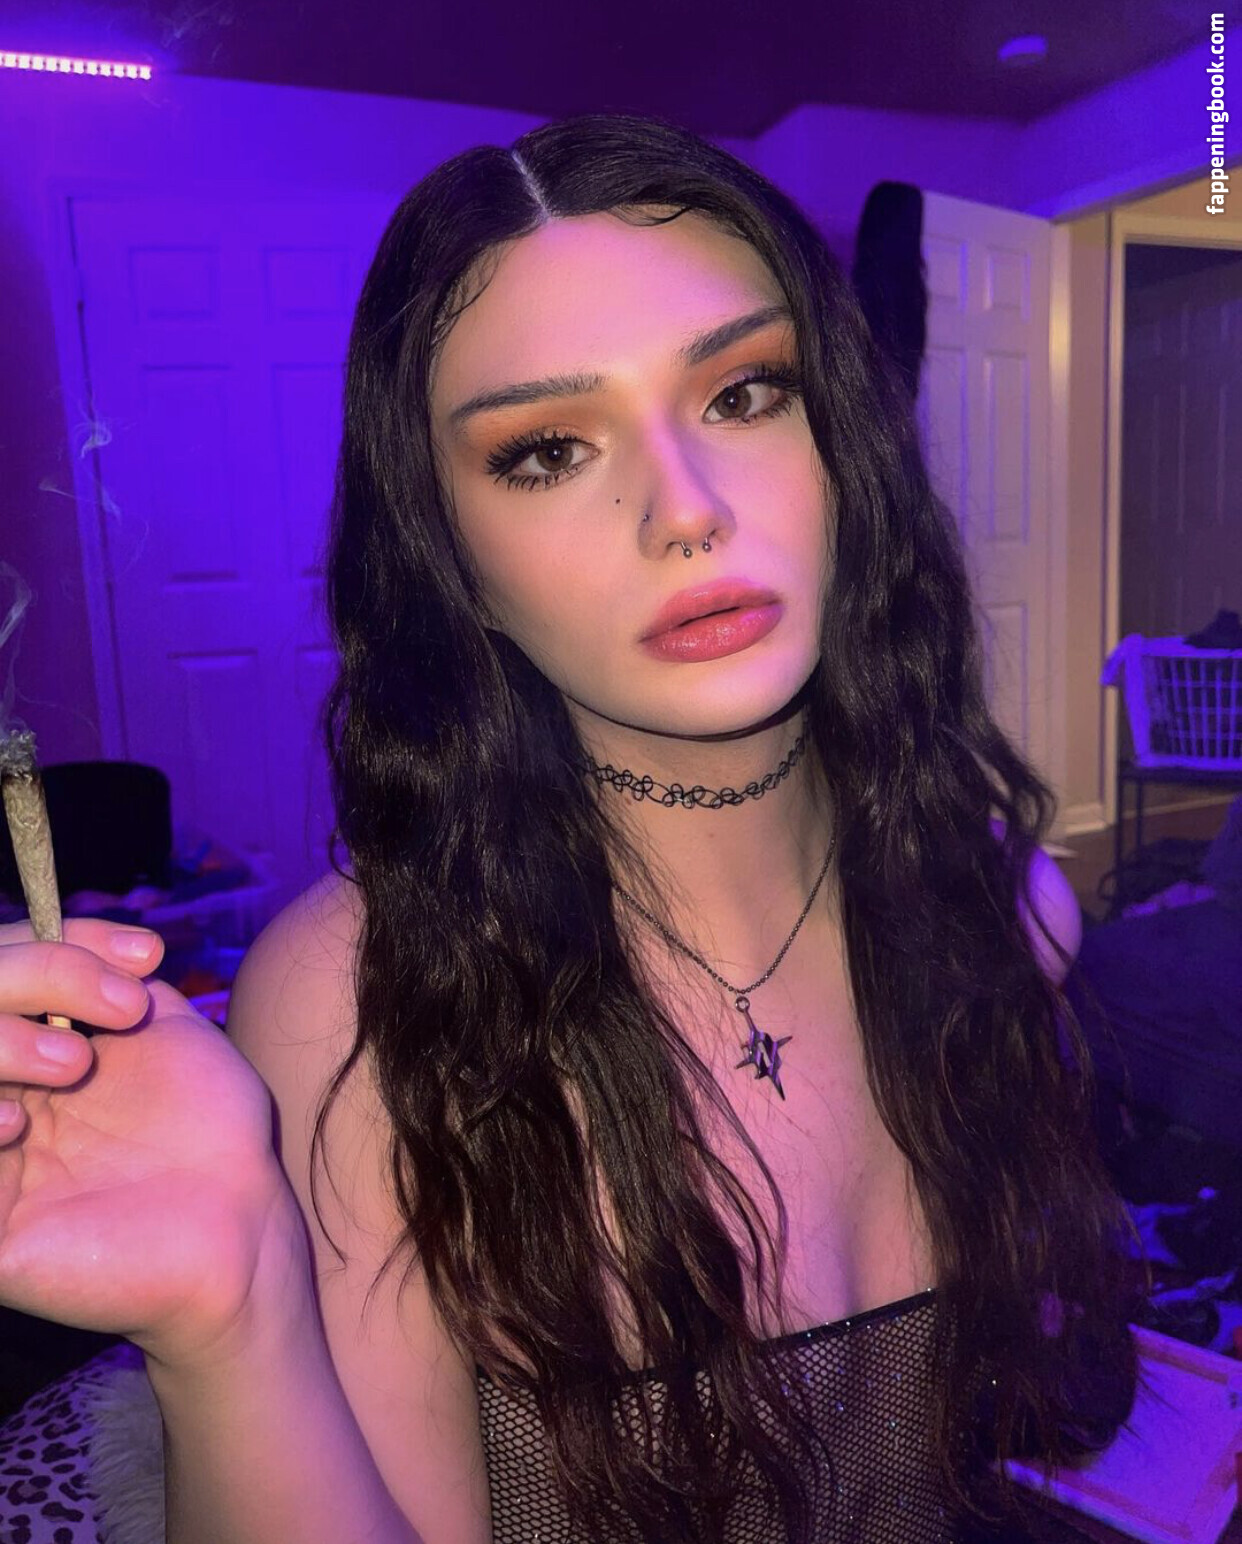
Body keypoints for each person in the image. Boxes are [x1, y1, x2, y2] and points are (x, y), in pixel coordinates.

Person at [0, 111, 1138, 1544]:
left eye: (745, 393)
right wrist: (225, 1321)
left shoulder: (1006, 907)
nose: (686, 511)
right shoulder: (363, 1006)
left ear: (843, 443)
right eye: (545, 451)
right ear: (450, 562)